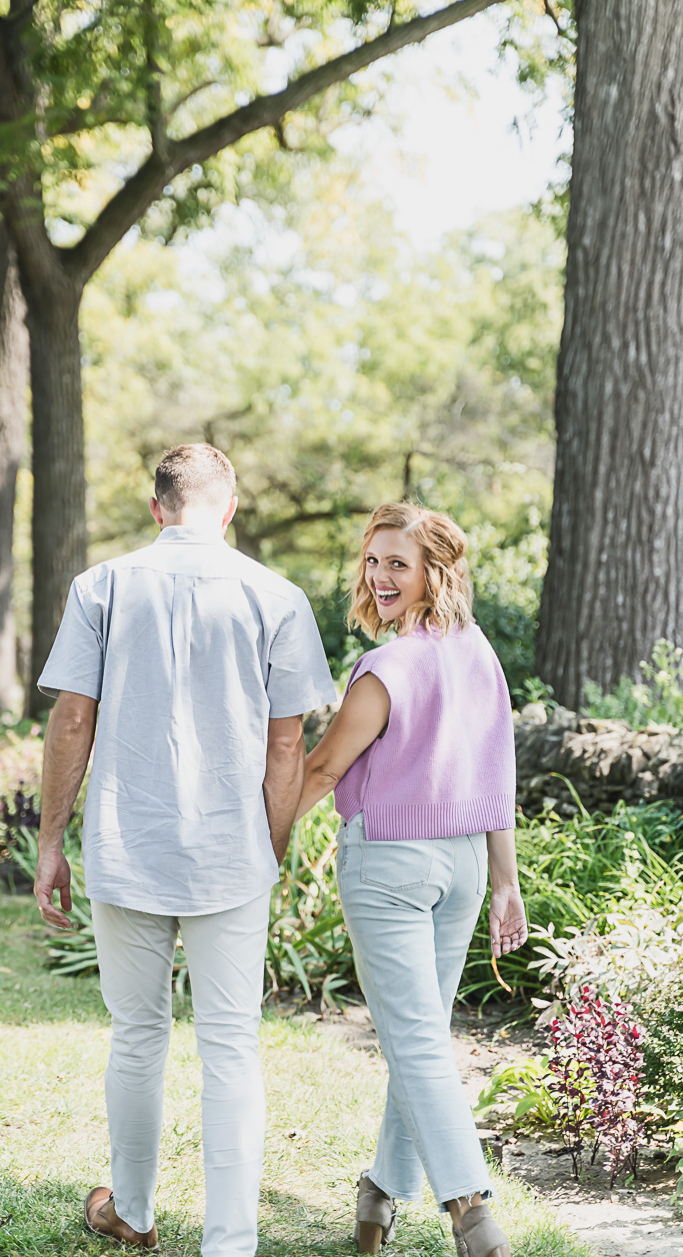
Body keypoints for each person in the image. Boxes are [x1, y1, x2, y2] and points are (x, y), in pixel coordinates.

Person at [33, 443, 336, 1257]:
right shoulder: (277, 595)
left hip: (127, 847)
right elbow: (286, 747)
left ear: (158, 506)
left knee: (137, 1033)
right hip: (232, 852)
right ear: (228, 509)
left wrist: (51, 839)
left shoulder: (101, 587)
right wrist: (266, 847)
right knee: (231, 1042)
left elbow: (71, 720)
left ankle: (130, 1210)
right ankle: (229, 1242)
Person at [296, 503, 526, 1257]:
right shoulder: (478, 651)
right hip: (460, 865)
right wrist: (502, 880)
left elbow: (324, 768)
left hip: (391, 864)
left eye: (399, 563)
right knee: (416, 1037)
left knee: (417, 1043)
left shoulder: (386, 668)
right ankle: (378, 1199)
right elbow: (499, 770)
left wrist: (260, 843)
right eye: (373, 559)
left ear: (435, 572)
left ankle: (472, 1213)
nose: (380, 575)